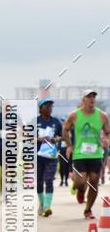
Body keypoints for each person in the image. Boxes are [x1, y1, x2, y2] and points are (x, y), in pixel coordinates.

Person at [63, 90, 110, 218]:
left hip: (96, 153)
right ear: (83, 99)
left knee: (94, 181)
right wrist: (69, 146)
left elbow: (107, 131)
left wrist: (107, 140)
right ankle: (79, 189)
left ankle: (88, 209)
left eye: (94, 96)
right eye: (89, 96)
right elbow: (65, 130)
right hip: (80, 153)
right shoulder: (74, 115)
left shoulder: (102, 115)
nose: (92, 99)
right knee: (80, 181)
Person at [36, 97, 62, 217]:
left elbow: (61, 136)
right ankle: (42, 203)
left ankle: (47, 206)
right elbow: (25, 136)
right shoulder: (34, 121)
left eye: (51, 106)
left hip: (51, 156)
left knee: (49, 180)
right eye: (47, 106)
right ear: (40, 109)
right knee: (39, 182)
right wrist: (38, 139)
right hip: (38, 156)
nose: (49, 108)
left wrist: (54, 139)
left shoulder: (56, 122)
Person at [58, 115, 72, 186]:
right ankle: (61, 180)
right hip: (61, 149)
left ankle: (66, 180)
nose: (63, 122)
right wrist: (62, 138)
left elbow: (71, 137)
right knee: (61, 165)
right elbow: (57, 138)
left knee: (66, 165)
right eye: (62, 121)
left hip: (68, 149)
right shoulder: (60, 129)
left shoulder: (70, 129)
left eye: (64, 121)